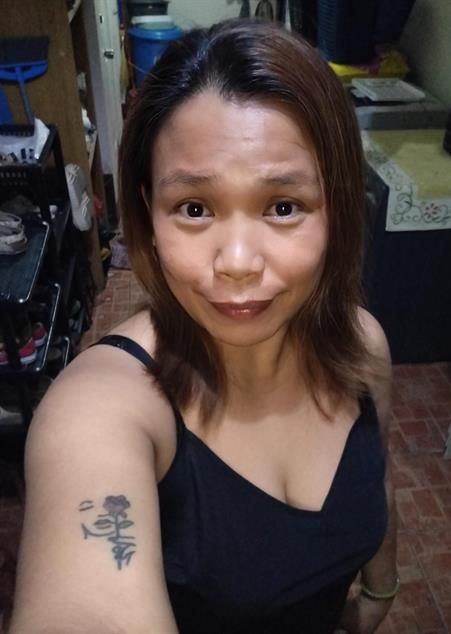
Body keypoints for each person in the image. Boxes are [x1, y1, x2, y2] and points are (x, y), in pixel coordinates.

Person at [9, 18, 398, 634]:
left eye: (283, 206)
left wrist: (381, 587)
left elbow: (377, 479)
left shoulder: (363, 348)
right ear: (149, 211)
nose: (237, 263)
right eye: (194, 208)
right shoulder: (99, 410)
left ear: (339, 207)